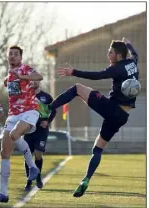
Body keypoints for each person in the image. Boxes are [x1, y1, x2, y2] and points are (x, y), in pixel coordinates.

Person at [39, 37, 139, 197]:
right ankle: (85, 179)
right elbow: (134, 53)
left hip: (111, 109)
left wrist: (74, 72)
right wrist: (128, 43)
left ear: (119, 55)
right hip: (122, 117)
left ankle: (48, 108)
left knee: (77, 88)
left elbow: (97, 75)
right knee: (97, 149)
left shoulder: (118, 68)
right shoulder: (133, 63)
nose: (108, 55)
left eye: (111, 52)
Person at [0, 45, 43, 203]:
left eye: (16, 54)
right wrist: (7, 80)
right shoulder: (9, 73)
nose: (12, 56)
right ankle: (3, 192)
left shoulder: (25, 68)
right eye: (10, 54)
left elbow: (39, 76)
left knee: (14, 134)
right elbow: (8, 83)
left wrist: (23, 77)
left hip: (29, 111)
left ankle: (32, 166)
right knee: (4, 152)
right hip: (13, 115)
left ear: (20, 57)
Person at [23, 81, 56, 191]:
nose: (34, 82)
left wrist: (48, 121)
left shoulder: (46, 97)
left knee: (38, 154)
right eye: (32, 80)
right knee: (28, 155)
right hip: (28, 128)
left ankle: (38, 177)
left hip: (42, 130)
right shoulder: (26, 95)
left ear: (39, 81)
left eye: (36, 80)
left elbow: (53, 110)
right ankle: (28, 181)